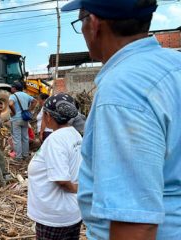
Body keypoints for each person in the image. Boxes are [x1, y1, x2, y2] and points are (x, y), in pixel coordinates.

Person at [62, 0, 181, 239]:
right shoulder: (173, 64)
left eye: (80, 21)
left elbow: (135, 224)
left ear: (94, 24)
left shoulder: (123, 91)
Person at [27, 93, 82, 240]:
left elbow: (62, 180)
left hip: (54, 216)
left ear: (48, 116)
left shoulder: (55, 140)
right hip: (72, 211)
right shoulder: (74, 134)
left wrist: (80, 189)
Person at [8, 82, 37, 161]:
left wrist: (13, 112)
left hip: (16, 119)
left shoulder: (13, 96)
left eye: (12, 87)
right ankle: (25, 155)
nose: (11, 89)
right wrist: (29, 110)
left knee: (17, 139)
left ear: (15, 88)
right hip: (25, 119)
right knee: (25, 138)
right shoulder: (26, 95)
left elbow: (10, 104)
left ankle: (19, 157)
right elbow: (35, 101)